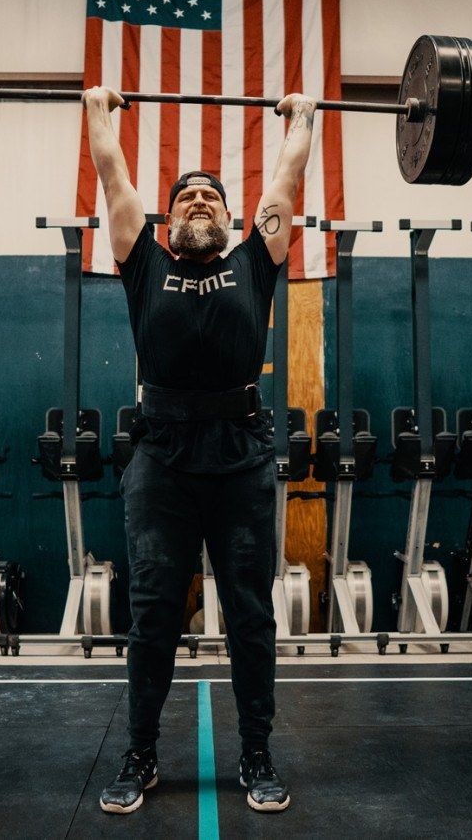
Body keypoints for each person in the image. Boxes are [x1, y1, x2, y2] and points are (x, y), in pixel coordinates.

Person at [84, 86, 316, 814]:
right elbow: (112, 175)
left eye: (210, 196)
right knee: (153, 609)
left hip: (242, 454)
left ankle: (256, 753)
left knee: (249, 610)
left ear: (229, 214)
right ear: (167, 214)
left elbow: (285, 181)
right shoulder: (143, 261)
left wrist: (300, 120)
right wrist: (100, 113)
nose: (197, 202)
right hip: (161, 455)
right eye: (185, 196)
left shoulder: (256, 259)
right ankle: (141, 754)